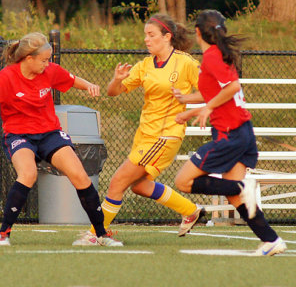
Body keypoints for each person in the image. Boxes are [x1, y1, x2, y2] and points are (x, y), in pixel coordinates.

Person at [0, 32, 122, 247]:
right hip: (19, 135)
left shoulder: (50, 71)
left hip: (50, 133)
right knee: (27, 175)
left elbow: (72, 80)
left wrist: (89, 86)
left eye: (49, 60)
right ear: (29, 58)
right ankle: (3, 235)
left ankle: (101, 235)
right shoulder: (7, 77)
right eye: (44, 60)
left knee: (80, 176)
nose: (47, 64)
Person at [73, 13, 204, 246]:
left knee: (118, 182)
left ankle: (96, 233)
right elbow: (113, 92)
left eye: (151, 35)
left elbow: (210, 90)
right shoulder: (145, 65)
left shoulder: (185, 62)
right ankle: (191, 210)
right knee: (140, 186)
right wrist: (116, 79)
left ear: (167, 37)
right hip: (145, 136)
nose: (146, 39)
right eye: (145, 35)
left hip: (166, 135)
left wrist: (187, 101)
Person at [173, 9, 287, 256]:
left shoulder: (213, 57)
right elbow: (214, 92)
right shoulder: (217, 56)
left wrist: (208, 108)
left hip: (230, 134)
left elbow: (233, 86)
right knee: (236, 196)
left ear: (197, 32)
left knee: (183, 181)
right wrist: (188, 106)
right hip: (241, 132)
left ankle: (241, 186)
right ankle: (271, 240)